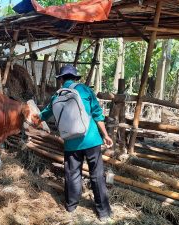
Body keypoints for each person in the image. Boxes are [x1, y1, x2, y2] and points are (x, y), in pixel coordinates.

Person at [39, 65, 113, 222]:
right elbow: (98, 114)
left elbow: (43, 115)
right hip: (91, 139)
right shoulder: (86, 90)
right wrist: (105, 135)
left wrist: (32, 116)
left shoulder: (56, 96)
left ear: (61, 79)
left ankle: (71, 206)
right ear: (75, 78)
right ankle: (103, 212)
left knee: (72, 174)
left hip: (71, 142)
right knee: (97, 175)